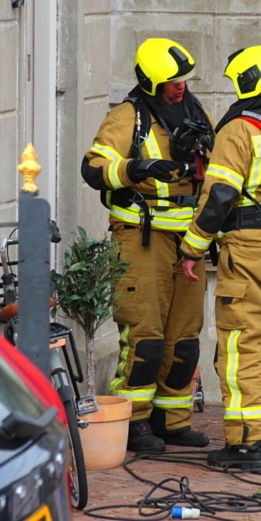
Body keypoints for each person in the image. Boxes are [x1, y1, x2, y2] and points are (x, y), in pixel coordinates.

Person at [180, 45, 261, 470]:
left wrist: (192, 246)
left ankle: (247, 443)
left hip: (252, 253)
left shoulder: (241, 129)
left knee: (242, 347)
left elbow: (220, 194)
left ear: (248, 81)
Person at [81, 38, 215, 453]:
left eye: (184, 80)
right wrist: (137, 167)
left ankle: (172, 421)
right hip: (143, 239)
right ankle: (134, 422)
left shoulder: (196, 113)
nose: (180, 87)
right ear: (151, 82)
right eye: (171, 82)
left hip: (189, 243)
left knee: (184, 339)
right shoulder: (129, 117)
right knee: (145, 337)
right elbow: (94, 168)